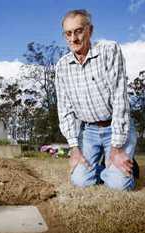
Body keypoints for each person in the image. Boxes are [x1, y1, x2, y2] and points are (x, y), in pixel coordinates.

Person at [55, 9, 138, 191]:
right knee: (80, 182)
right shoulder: (62, 66)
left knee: (118, 185)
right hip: (89, 132)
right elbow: (65, 109)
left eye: (78, 31)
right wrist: (74, 149)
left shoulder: (109, 50)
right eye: (68, 33)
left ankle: (126, 167)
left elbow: (120, 100)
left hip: (115, 126)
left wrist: (116, 148)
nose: (73, 38)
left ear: (90, 31)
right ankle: (109, 168)